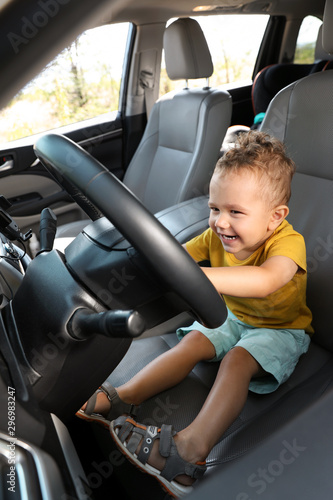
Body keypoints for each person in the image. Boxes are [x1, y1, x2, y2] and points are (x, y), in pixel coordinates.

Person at [77, 130, 313, 498]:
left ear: (274, 217)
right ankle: (123, 396)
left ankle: (189, 454)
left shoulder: (287, 242)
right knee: (192, 344)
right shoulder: (217, 235)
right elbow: (177, 258)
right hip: (234, 317)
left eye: (236, 212)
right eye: (215, 208)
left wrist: (201, 277)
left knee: (237, 360)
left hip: (279, 329)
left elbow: (267, 280)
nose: (220, 222)